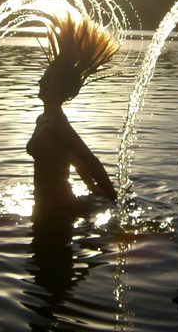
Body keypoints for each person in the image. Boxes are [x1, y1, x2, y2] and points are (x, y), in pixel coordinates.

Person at [26, 12, 118, 218]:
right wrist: (90, 185)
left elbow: (90, 160)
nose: (40, 82)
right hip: (45, 209)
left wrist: (115, 199)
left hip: (59, 210)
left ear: (60, 88)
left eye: (47, 78)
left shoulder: (56, 123)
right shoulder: (43, 119)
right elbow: (74, 157)